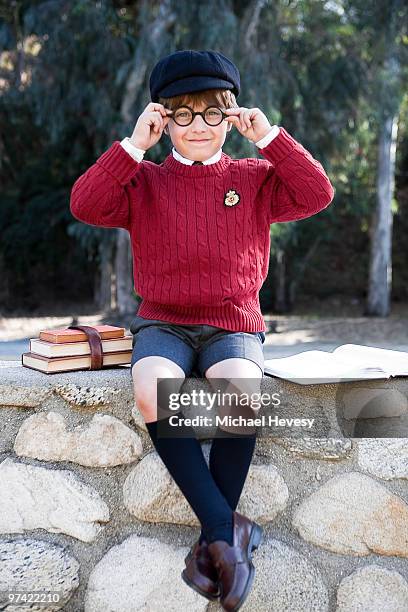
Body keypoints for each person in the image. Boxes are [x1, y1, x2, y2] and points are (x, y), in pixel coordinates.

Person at [70, 49, 334, 611]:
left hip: (231, 322)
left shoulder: (256, 178)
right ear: (162, 118)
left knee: (241, 386)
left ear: (232, 117)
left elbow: (318, 193)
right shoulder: (144, 181)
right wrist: (132, 147)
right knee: (151, 387)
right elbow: (86, 204)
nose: (198, 127)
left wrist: (271, 139)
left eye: (212, 113)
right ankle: (225, 533)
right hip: (163, 321)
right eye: (182, 115)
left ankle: (213, 544)